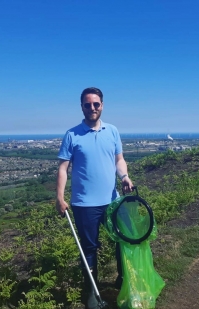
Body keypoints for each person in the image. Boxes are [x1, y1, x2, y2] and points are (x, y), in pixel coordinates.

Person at [56, 87, 133, 309]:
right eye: (88, 104)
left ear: (102, 105)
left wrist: (125, 176)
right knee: (89, 249)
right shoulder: (72, 134)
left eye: (96, 104)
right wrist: (59, 198)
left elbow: (119, 159)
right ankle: (92, 291)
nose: (92, 108)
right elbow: (63, 168)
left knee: (122, 240)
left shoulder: (112, 131)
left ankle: (122, 280)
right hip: (84, 204)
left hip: (112, 201)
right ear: (82, 107)